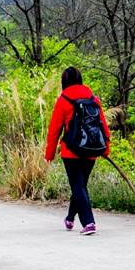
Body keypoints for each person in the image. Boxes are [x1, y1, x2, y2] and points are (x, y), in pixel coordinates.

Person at [44, 66, 111, 236]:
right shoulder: (93, 99)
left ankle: (89, 222)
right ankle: (70, 218)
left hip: (71, 152)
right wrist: (105, 149)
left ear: (64, 82)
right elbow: (103, 125)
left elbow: (54, 130)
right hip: (91, 150)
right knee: (80, 186)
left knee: (78, 186)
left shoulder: (63, 100)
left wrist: (49, 154)